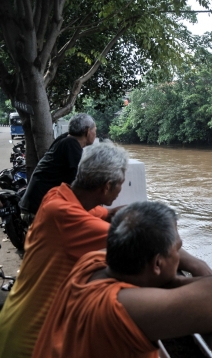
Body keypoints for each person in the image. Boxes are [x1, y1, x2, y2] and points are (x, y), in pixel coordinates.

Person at [33, 201, 212, 358]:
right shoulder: (118, 307)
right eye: (177, 247)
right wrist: (177, 277)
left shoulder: (90, 263)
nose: (180, 251)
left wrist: (174, 259)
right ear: (157, 265)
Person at [0, 141, 128, 358]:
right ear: (107, 186)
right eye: (121, 183)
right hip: (33, 342)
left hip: (15, 321)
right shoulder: (72, 220)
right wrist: (197, 265)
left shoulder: (56, 198)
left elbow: (103, 214)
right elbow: (148, 244)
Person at [19, 113, 97, 220]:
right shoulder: (71, 144)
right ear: (87, 131)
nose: (95, 133)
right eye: (95, 130)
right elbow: (79, 180)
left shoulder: (64, 139)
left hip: (34, 205)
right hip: (38, 209)